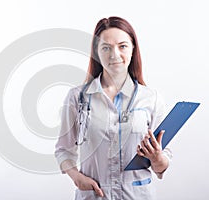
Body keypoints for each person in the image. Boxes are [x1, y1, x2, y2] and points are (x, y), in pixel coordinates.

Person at [54, 16, 172, 200]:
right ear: (96, 52)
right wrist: (77, 178)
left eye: (122, 46)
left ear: (133, 49)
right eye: (106, 48)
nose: (114, 54)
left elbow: (162, 162)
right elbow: (63, 150)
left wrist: (157, 159)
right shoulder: (77, 98)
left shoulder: (151, 99)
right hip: (95, 195)